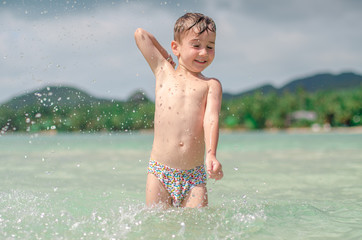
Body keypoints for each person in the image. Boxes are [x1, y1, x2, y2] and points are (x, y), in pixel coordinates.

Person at [134, 12, 223, 208]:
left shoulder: (211, 85)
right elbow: (141, 35)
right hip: (160, 172)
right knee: (158, 228)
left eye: (210, 47)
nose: (203, 53)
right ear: (177, 47)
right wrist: (167, 55)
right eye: (196, 45)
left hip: (194, 177)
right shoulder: (164, 71)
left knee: (196, 230)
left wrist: (211, 154)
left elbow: (211, 119)